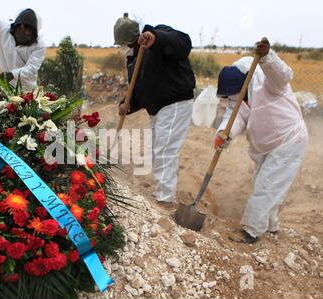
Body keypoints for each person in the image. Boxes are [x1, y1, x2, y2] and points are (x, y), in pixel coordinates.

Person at [215, 38, 308, 244]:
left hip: (288, 139)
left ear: (243, 86)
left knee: (267, 185)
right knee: (266, 184)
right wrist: (224, 133)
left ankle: (251, 230)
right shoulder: (236, 97)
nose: (232, 99)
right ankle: (271, 226)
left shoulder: (268, 83)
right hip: (265, 145)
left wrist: (268, 57)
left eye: (234, 95)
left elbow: (282, 75)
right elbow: (235, 116)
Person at [113, 13, 196, 204]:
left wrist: (156, 39)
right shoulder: (133, 59)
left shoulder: (159, 33)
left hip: (175, 102)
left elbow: (183, 43)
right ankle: (162, 191)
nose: (123, 49)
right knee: (156, 150)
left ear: (134, 40)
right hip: (156, 107)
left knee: (165, 148)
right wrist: (128, 104)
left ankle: (165, 198)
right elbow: (140, 88)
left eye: (125, 44)